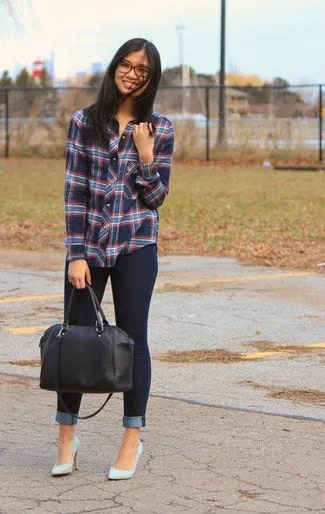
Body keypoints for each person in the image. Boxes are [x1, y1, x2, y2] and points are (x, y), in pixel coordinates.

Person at [51, 38, 174, 480]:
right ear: (115, 68)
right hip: (89, 250)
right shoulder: (84, 121)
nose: (132, 73)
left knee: (134, 339)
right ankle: (67, 438)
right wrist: (76, 254)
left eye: (142, 69)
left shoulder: (160, 126)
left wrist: (145, 157)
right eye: (126, 64)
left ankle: (131, 441)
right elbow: (75, 193)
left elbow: (156, 197)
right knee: (75, 341)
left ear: (151, 77)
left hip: (137, 246)